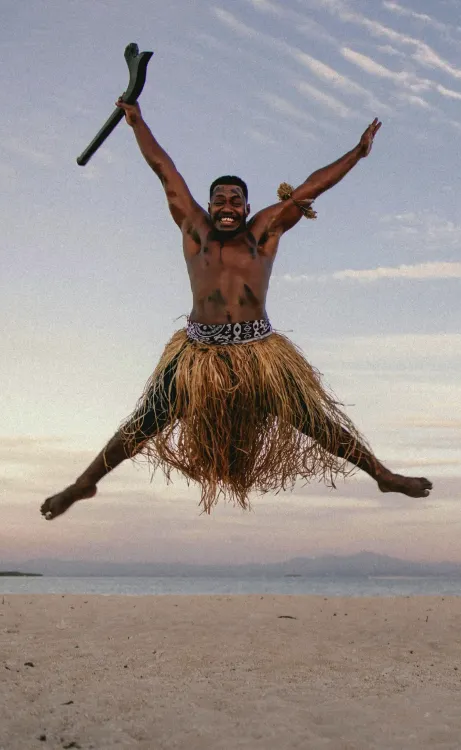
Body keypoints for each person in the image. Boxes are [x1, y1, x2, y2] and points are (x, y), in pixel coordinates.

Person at [41, 99, 431, 520]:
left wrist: (357, 152)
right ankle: (84, 483)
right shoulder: (196, 231)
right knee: (145, 421)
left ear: (247, 207)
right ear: (209, 207)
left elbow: (312, 187)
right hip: (198, 354)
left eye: (235, 201)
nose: (227, 207)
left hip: (258, 351)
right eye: (219, 200)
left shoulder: (263, 232)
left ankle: (382, 476)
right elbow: (164, 169)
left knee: (314, 421)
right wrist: (136, 121)